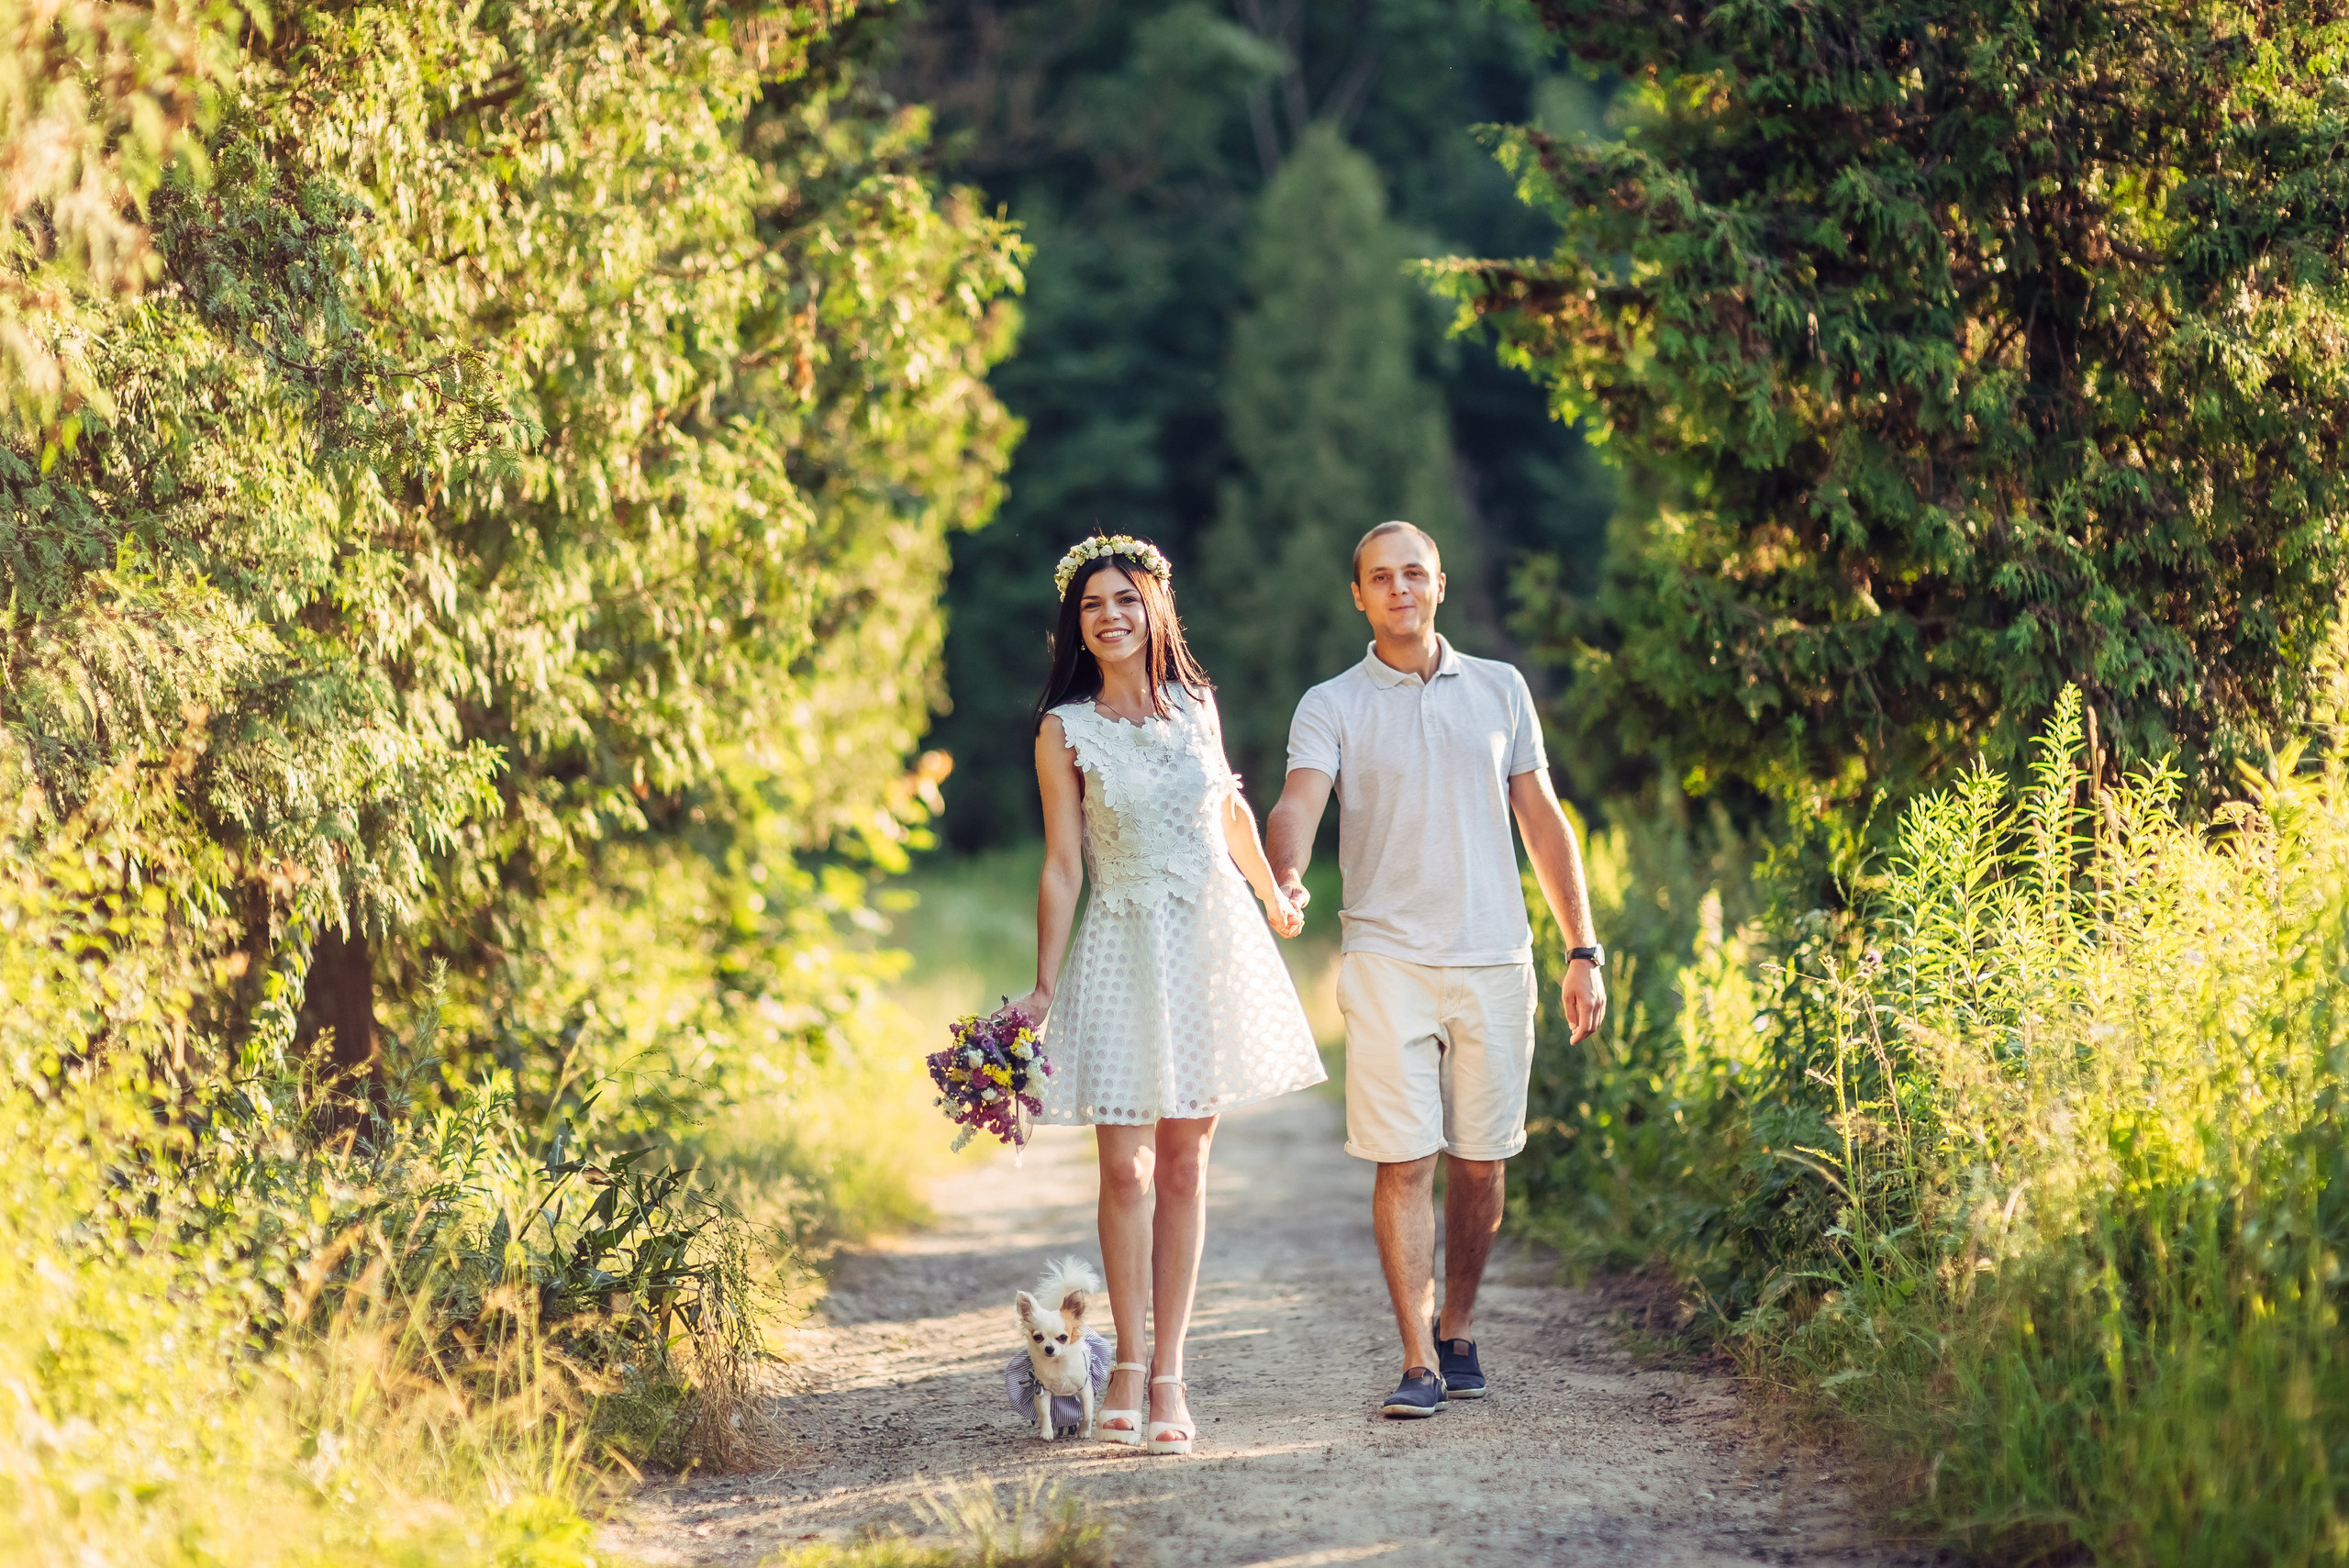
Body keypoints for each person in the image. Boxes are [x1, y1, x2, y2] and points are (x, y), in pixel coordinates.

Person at [1265, 519, 1606, 1419]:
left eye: (1413, 573)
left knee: (1481, 1163)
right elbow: (1298, 801)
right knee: (1405, 1159)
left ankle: (1457, 1327)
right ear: (1359, 596)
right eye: (1380, 577)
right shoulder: (1330, 702)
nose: (1399, 588)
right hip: (1386, 959)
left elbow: (1543, 818)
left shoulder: (1501, 688)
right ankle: (1417, 1358)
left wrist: (1582, 948)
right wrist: (1284, 873)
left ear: (1440, 584)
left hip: (1495, 957)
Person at [1011, 534, 1325, 1456]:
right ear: (1075, 624)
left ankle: (1169, 1375)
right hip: (1122, 941)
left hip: (1209, 944)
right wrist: (1042, 982)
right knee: (1126, 1170)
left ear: (1154, 609)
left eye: (1125, 599)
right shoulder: (1064, 728)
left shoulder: (1197, 704)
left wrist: (1274, 895)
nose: (1110, 616)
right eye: (1092, 605)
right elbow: (1063, 863)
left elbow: (1228, 808)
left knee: (1185, 1166)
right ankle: (1123, 1363)